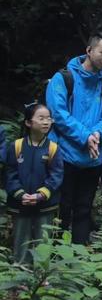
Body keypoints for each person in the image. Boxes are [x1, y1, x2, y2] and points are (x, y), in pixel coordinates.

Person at [46, 32, 102, 244]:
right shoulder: (63, 78)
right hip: (64, 155)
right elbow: (57, 113)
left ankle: (79, 254)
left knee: (85, 207)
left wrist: (96, 134)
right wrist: (86, 136)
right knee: (62, 207)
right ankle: (57, 254)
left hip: (93, 157)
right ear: (89, 50)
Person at [5, 103, 63, 264]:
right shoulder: (16, 146)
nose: (46, 122)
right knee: (21, 238)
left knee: (43, 239)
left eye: (49, 118)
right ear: (28, 123)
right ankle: (20, 270)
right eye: (41, 118)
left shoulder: (53, 148)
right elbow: (10, 173)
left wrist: (40, 194)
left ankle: (40, 274)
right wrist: (20, 194)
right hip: (21, 203)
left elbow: (56, 176)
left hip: (44, 204)